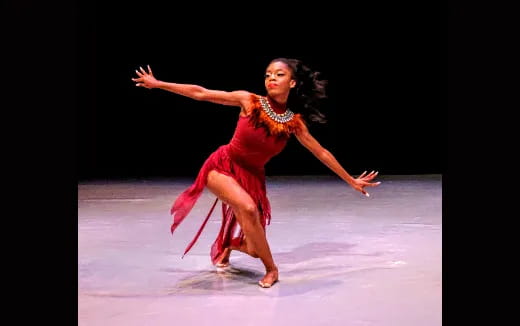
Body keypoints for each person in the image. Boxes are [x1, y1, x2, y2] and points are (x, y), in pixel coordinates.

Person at [131, 58, 380, 288]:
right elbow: (201, 93)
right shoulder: (249, 101)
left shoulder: (293, 123)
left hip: (253, 177)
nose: (271, 78)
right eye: (268, 74)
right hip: (222, 166)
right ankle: (272, 270)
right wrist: (158, 84)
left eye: (279, 74)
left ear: (292, 83)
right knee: (248, 209)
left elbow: (322, 152)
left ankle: (229, 243)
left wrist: (351, 180)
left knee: (253, 245)